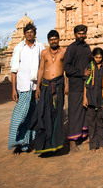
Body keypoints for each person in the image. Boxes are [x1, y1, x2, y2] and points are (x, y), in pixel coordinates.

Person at [8, 22, 44, 155]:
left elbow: (42, 66)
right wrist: (13, 89)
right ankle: (17, 142)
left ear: (35, 33)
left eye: (32, 32)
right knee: (19, 117)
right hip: (22, 87)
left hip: (35, 87)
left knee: (32, 117)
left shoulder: (40, 47)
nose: (29, 34)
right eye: (27, 32)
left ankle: (26, 143)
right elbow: (13, 70)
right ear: (24, 34)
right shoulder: (19, 47)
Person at [30, 30, 67, 155]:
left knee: (57, 114)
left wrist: (66, 85)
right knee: (43, 113)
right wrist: (38, 87)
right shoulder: (44, 53)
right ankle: (44, 145)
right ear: (48, 41)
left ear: (58, 39)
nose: (53, 41)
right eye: (51, 39)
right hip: (45, 85)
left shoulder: (64, 51)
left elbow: (66, 70)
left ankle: (56, 144)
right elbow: (41, 69)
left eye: (55, 39)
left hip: (58, 85)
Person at [63, 24, 92, 153]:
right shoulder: (71, 48)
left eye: (83, 33)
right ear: (75, 34)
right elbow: (67, 67)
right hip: (75, 84)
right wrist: (82, 73)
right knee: (74, 113)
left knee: (85, 111)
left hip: (86, 84)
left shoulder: (87, 48)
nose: (81, 35)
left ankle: (83, 135)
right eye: (79, 33)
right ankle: (72, 142)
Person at [83, 47, 103, 153]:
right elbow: (86, 83)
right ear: (93, 57)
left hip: (102, 98)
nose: (98, 59)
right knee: (91, 123)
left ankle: (101, 143)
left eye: (100, 57)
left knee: (101, 121)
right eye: (96, 57)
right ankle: (92, 145)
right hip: (91, 97)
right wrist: (84, 98)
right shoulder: (89, 67)